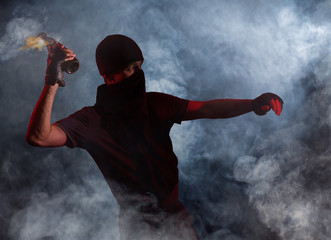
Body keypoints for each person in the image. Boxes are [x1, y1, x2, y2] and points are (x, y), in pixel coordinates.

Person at [26, 34, 283, 240]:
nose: (138, 74)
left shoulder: (157, 104)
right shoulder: (91, 121)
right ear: (110, 77)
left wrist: (252, 103)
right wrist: (53, 77)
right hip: (139, 228)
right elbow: (39, 136)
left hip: (177, 218)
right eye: (131, 68)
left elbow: (207, 108)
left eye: (140, 67)